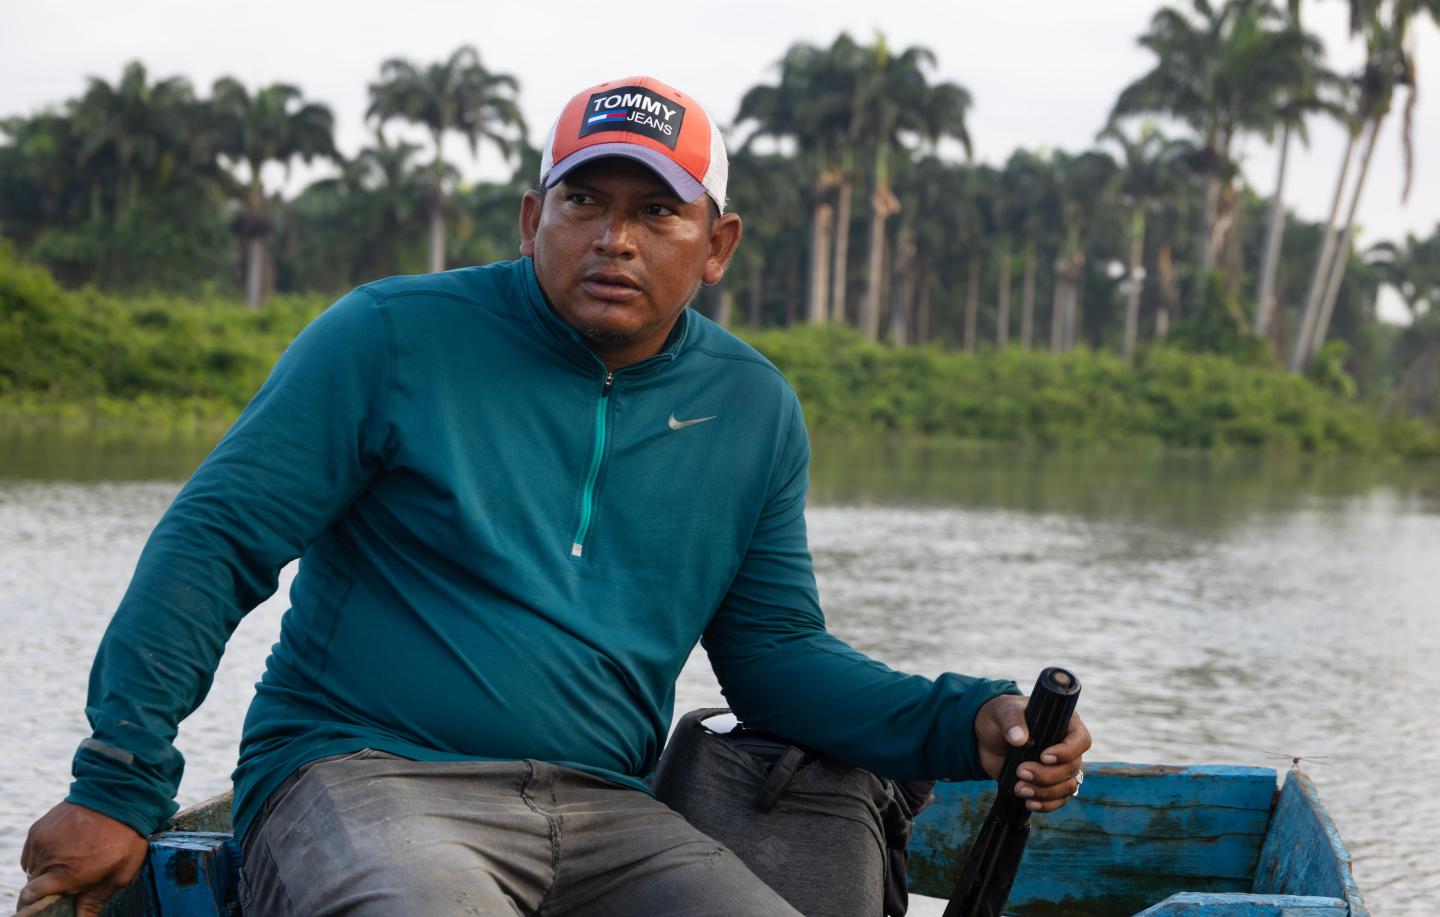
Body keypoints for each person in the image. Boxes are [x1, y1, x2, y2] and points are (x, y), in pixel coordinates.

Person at [19, 76, 1090, 916]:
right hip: (366, 778)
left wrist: (973, 719)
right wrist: (119, 779)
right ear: (535, 214)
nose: (613, 238)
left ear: (715, 244)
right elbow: (216, 540)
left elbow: (776, 664)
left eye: (655, 211)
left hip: (605, 809)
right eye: (584, 200)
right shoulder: (392, 337)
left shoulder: (749, 409)